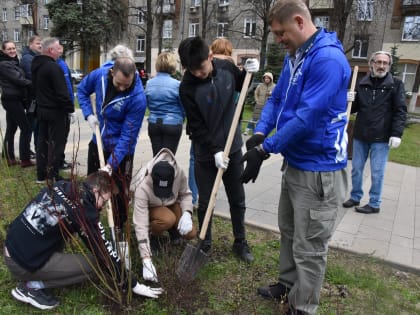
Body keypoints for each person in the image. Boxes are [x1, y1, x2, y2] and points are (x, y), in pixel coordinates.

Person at [240, 1, 350, 314]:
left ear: (299, 21)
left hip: (319, 169)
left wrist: (264, 150)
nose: (278, 40)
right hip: (296, 161)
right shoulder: (295, 56)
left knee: (310, 245)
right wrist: (261, 132)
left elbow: (307, 118)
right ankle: (287, 285)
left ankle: (303, 307)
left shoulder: (327, 59)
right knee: (289, 231)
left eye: (280, 33)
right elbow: (276, 100)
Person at [3, 171, 163, 310]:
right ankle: (31, 287)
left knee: (62, 230)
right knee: (97, 264)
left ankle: (38, 270)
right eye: (104, 201)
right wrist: (133, 283)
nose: (101, 207)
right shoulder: (82, 210)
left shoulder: (62, 185)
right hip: (22, 263)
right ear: (95, 190)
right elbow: (103, 251)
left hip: (12, 245)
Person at [178, 36, 259, 262]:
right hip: (206, 153)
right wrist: (214, 150)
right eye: (192, 70)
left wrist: (249, 73)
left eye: (201, 68)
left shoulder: (226, 68)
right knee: (205, 201)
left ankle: (240, 241)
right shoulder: (186, 88)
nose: (197, 74)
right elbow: (195, 126)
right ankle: (205, 244)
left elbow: (242, 85)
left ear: (211, 57)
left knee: (237, 198)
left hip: (233, 148)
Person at [78, 56, 147, 233]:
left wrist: (111, 165)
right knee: (91, 188)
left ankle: (119, 229)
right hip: (98, 140)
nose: (123, 87)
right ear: (111, 73)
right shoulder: (99, 75)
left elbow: (128, 137)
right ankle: (89, 224)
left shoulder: (138, 98)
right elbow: (82, 91)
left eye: (127, 84)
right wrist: (88, 114)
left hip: (122, 150)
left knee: (120, 192)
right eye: (119, 84)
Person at [342, 51, 407, 214]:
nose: (381, 66)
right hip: (361, 135)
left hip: (382, 137)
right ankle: (355, 196)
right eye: (378, 62)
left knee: (377, 172)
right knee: (356, 168)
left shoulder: (396, 85)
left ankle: (375, 203)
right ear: (372, 64)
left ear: (389, 66)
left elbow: (400, 110)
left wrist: (396, 134)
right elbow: (354, 108)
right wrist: (348, 99)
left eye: (385, 63)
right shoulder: (362, 83)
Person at [131, 148, 197, 282]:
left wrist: (187, 213)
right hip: (152, 207)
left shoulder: (178, 173)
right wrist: (146, 259)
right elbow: (140, 223)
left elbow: (186, 194)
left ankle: (173, 230)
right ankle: (153, 235)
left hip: (171, 203)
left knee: (191, 233)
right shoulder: (142, 185)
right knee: (168, 219)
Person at [31, 37, 74, 183]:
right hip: (55, 111)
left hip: (41, 109)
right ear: (50, 50)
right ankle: (53, 175)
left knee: (42, 142)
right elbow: (62, 92)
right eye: (58, 49)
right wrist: (69, 108)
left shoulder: (36, 65)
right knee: (56, 144)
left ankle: (41, 175)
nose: (59, 51)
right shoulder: (54, 67)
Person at [0, 40, 34, 167]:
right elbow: (18, 80)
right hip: (11, 99)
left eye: (13, 48)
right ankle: (25, 160)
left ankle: (9, 157)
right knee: (26, 128)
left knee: (11, 128)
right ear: (3, 51)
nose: (12, 50)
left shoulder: (13, 62)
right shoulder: (4, 64)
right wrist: (34, 85)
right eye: (9, 49)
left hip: (14, 99)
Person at [145, 52, 185, 156]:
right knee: (169, 159)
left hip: (154, 123)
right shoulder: (177, 85)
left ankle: (155, 172)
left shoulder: (149, 83)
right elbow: (183, 105)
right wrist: (181, 117)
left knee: (157, 157)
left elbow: (148, 103)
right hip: (172, 123)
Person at [21, 35, 42, 157]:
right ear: (30, 45)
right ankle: (27, 152)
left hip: (35, 98)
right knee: (31, 126)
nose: (40, 45)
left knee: (34, 126)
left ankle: (31, 150)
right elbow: (32, 78)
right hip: (32, 99)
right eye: (37, 43)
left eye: (41, 43)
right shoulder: (28, 59)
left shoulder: (34, 57)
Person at [57, 44, 76, 170]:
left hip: (57, 106)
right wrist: (71, 107)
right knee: (61, 135)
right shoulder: (60, 64)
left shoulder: (59, 63)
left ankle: (57, 160)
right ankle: (59, 161)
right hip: (62, 106)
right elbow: (67, 87)